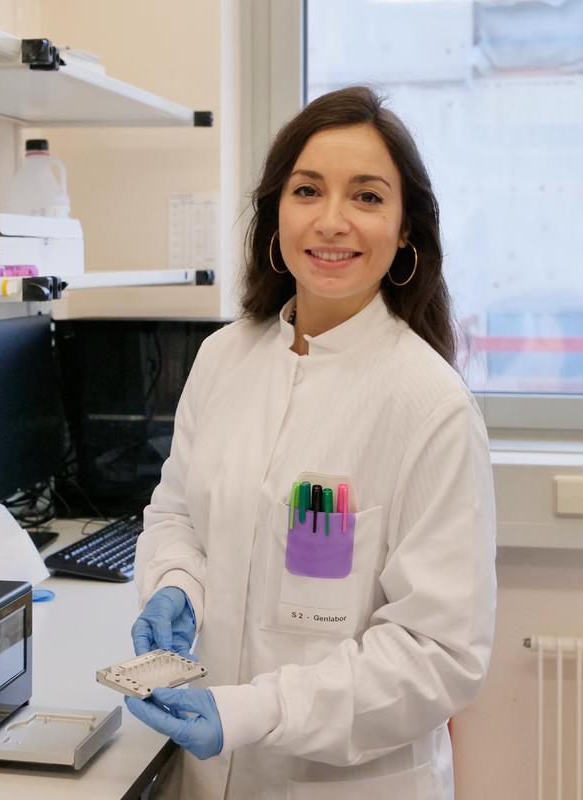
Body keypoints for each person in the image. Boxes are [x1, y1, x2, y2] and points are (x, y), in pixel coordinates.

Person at [125, 85, 496, 800]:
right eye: (307, 190)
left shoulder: (431, 407)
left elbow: (438, 655)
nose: (332, 222)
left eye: (366, 197)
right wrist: (177, 587)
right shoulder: (223, 359)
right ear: (276, 214)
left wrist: (254, 711)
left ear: (406, 230)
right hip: (206, 775)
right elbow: (177, 515)